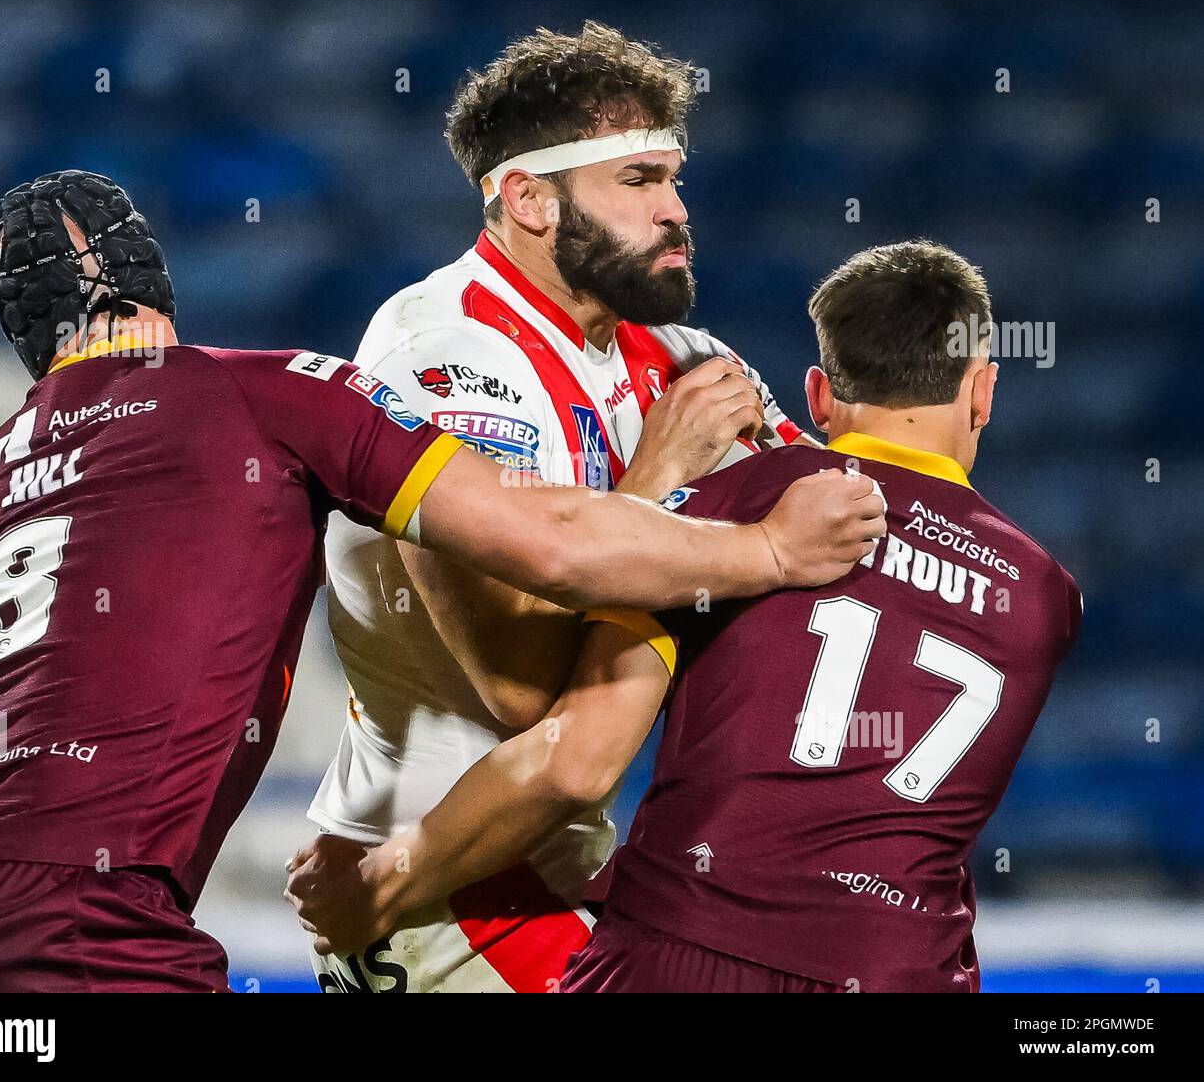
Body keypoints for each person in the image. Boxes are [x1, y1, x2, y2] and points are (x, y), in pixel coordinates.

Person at [0, 170, 884, 993]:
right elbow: (546, 542)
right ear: (151, 276)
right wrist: (765, 548)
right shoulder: (257, 392)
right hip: (83, 930)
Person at [289, 240, 1083, 994]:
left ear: (817, 392)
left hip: (685, 950)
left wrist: (383, 883)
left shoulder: (723, 506)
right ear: (983, 390)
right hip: (901, 962)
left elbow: (573, 760)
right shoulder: (1046, 595)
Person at [295, 21, 818, 994]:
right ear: (528, 199)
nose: (675, 211)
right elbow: (521, 690)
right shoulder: (440, 356)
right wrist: (665, 486)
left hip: (566, 861)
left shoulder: (675, 354)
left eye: (673, 176)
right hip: (437, 894)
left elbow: (836, 531)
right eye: (635, 182)